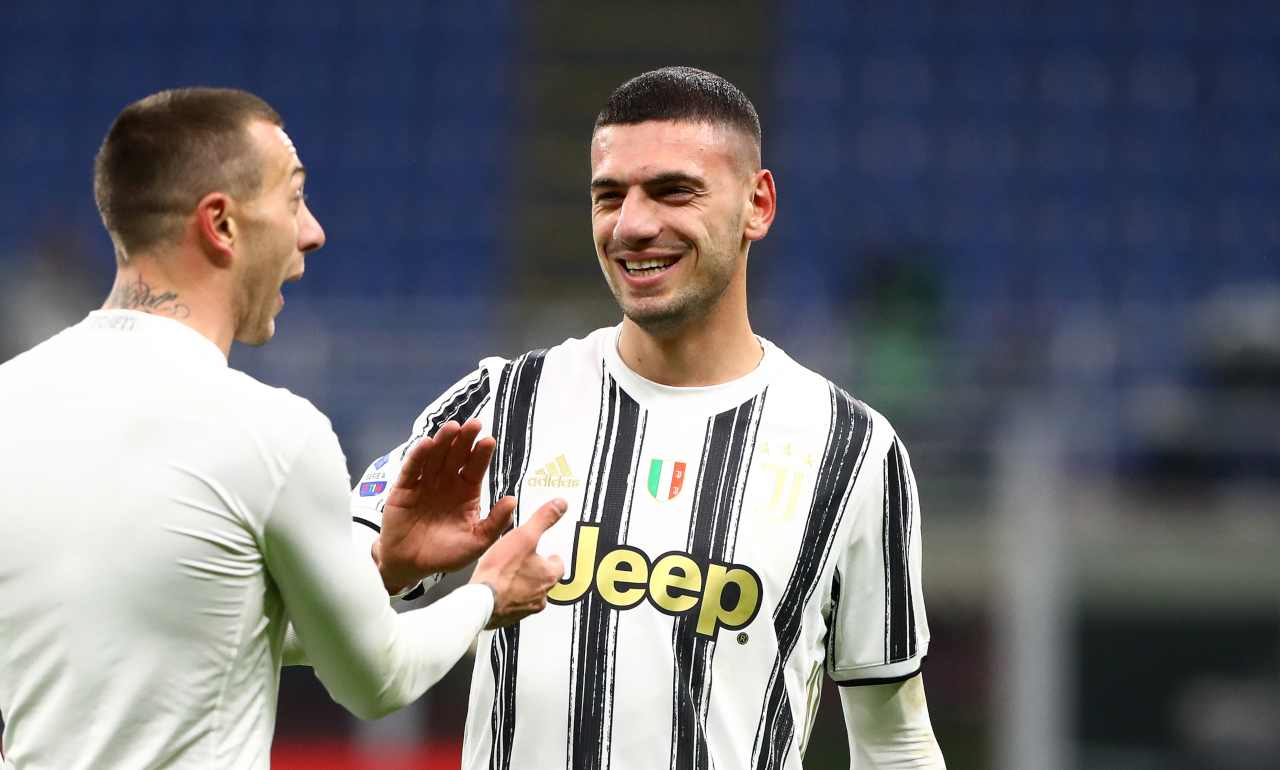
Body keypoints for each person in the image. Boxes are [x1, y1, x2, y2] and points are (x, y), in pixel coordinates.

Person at [358, 67, 945, 768]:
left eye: (673, 191)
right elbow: (298, 615)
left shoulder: (853, 453)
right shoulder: (498, 406)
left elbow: (895, 739)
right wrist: (384, 568)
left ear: (757, 205)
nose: (633, 225)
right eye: (610, 196)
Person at [0, 87, 565, 770]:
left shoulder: (12, 399)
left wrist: (378, 570)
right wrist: (486, 594)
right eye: (294, 199)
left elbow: (193, 625)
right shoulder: (270, 433)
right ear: (222, 225)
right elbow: (376, 678)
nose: (313, 231)